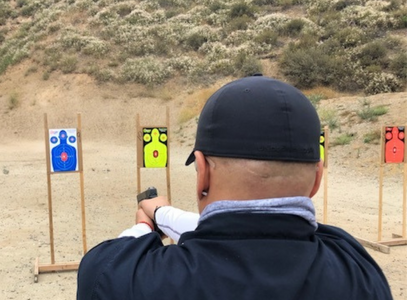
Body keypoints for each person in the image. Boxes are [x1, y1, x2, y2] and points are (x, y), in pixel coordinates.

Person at [76, 75, 393, 299]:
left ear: (203, 175)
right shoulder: (358, 271)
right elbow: (241, 229)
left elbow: (114, 258)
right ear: (317, 179)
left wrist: (146, 226)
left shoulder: (119, 277)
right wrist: (161, 213)